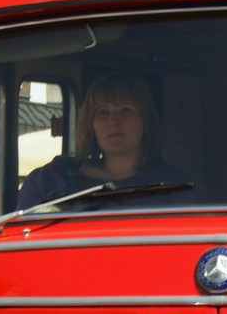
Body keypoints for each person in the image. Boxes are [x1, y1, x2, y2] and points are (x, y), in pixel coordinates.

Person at [17, 72, 199, 211]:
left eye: (125, 110)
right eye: (102, 112)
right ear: (90, 124)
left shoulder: (181, 188)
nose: (113, 120)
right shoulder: (50, 179)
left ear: (146, 120)